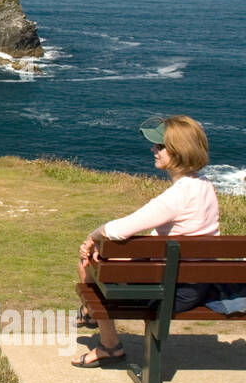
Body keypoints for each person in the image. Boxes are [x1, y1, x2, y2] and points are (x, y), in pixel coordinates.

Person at [72, 115, 220, 367]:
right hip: (197, 282)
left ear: (179, 151)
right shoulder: (205, 186)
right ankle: (89, 313)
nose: (153, 149)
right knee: (111, 261)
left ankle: (109, 345)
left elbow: (118, 229)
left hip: (173, 291)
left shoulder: (177, 197)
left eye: (160, 146)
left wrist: (91, 238)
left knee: (88, 266)